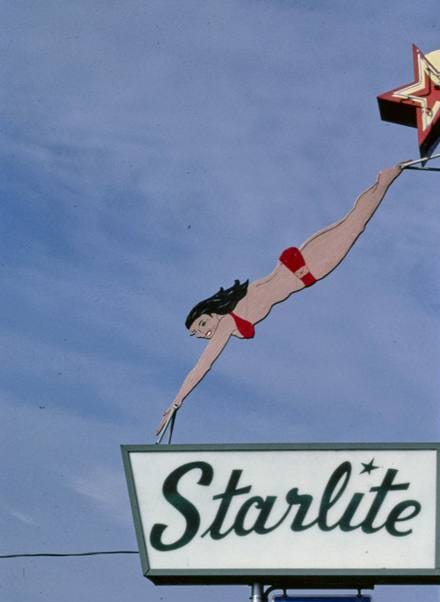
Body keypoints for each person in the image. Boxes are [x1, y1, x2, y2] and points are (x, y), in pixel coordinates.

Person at [155, 163, 405, 438]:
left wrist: (176, 402)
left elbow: (203, 364)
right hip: (303, 270)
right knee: (353, 223)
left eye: (201, 323)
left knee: (354, 223)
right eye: (197, 333)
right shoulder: (231, 320)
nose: (203, 332)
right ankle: (384, 179)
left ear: (211, 312)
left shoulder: (227, 322)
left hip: (303, 267)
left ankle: (386, 178)